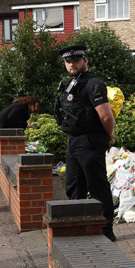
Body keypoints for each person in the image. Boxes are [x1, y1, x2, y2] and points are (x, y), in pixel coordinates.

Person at [55, 45, 116, 241]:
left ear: (85, 61)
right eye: (68, 61)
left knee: (97, 186)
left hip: (90, 140)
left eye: (75, 60)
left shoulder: (93, 83)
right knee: (74, 186)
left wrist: (110, 134)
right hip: (74, 142)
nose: (71, 64)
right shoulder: (74, 83)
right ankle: (79, 226)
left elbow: (106, 116)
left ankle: (106, 230)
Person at [0, 96, 40, 187]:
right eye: (36, 106)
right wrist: (25, 124)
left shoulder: (20, 105)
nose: (36, 108)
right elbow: (12, 118)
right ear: (31, 102)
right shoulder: (22, 106)